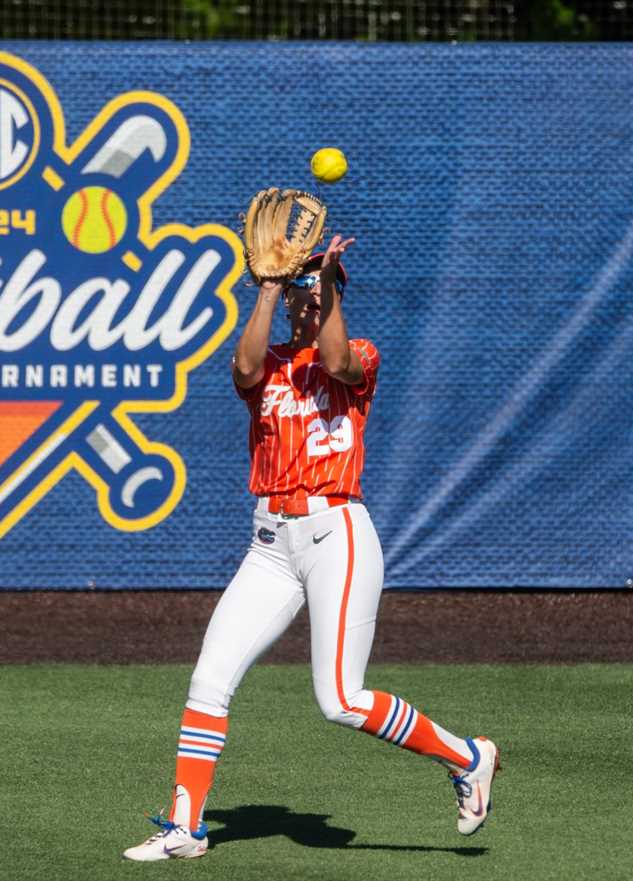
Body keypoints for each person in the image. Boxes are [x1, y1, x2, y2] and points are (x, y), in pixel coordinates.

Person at [122, 234, 500, 862]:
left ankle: (467, 757)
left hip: (337, 534)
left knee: (341, 700)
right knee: (209, 678)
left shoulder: (360, 357)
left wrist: (323, 283)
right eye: (298, 297)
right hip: (270, 542)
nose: (305, 305)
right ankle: (186, 829)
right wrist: (269, 288)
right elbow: (241, 369)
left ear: (333, 299)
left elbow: (337, 358)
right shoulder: (267, 363)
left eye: (314, 296)